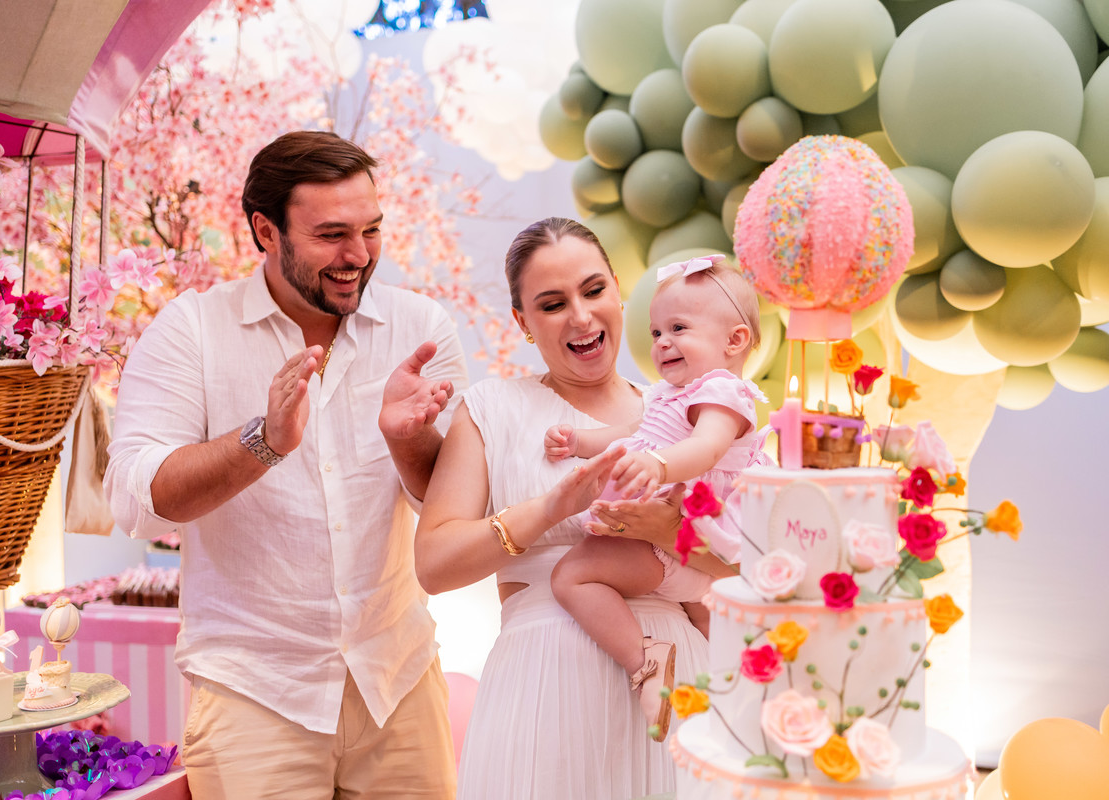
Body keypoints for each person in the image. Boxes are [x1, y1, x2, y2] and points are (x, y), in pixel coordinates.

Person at [104, 130, 468, 799]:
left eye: (371, 230)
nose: (358, 256)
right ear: (265, 231)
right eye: (332, 234)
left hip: (398, 681)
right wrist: (261, 443)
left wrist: (409, 443)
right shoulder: (192, 331)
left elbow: (452, 506)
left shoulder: (419, 329)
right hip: (255, 694)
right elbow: (138, 497)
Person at [409, 217, 734, 799]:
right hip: (540, 685)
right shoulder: (491, 408)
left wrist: (671, 529)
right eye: (553, 304)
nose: (581, 318)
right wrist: (548, 506)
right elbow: (434, 563)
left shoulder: (682, 409)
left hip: (678, 684)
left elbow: (739, 564)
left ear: (616, 287)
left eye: (593, 291)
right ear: (523, 323)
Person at [544, 253, 770, 741]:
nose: (663, 342)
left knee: (571, 576)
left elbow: (707, 448)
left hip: (687, 533)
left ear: (735, 340)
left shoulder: (724, 392)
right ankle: (742, 698)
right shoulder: (667, 397)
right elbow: (629, 432)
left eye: (679, 328)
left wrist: (660, 466)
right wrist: (580, 442)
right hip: (684, 557)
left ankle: (645, 660)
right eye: (656, 332)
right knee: (718, 640)